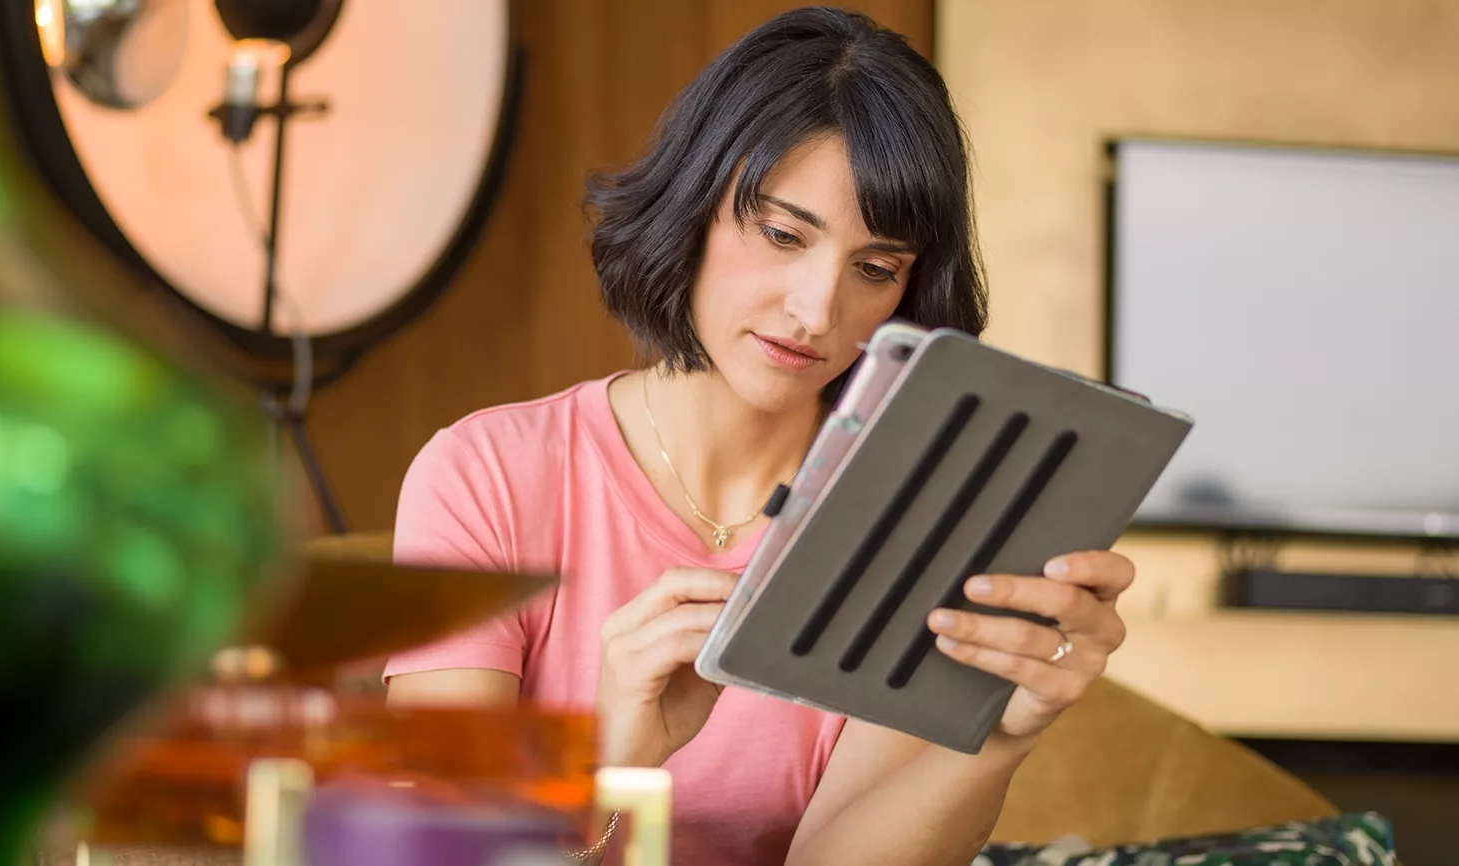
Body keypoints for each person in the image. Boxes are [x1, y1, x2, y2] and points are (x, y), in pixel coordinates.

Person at [384, 7, 1135, 865]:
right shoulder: (487, 477)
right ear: (693, 205)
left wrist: (1001, 735)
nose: (818, 311)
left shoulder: (910, 521)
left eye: (876, 268)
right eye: (783, 235)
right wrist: (610, 769)